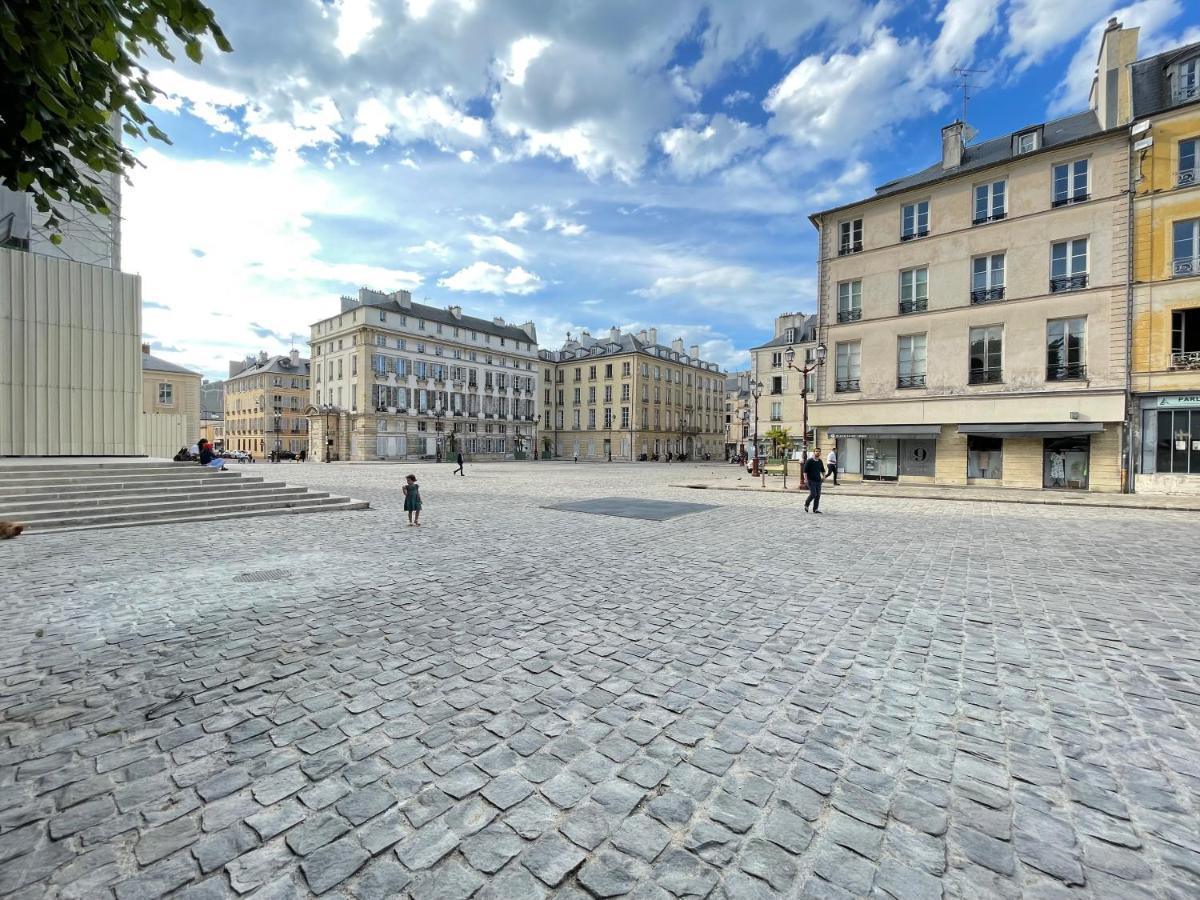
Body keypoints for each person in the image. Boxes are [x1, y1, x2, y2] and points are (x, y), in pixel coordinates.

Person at [803, 448, 827, 514]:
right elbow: (805, 471)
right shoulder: (809, 461)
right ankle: (806, 504)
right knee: (813, 494)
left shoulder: (820, 461)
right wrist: (805, 480)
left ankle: (815, 509)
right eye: (816, 451)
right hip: (810, 480)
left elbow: (823, 470)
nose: (818, 452)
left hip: (818, 481)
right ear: (814, 452)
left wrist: (824, 477)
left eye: (819, 451)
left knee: (818, 495)